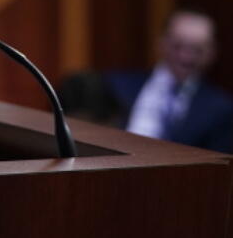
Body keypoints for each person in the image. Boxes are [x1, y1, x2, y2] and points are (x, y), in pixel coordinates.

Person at [60, 10, 233, 153]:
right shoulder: (115, 84)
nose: (185, 57)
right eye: (178, 46)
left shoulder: (221, 108)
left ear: (212, 53)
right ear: (161, 43)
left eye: (197, 50)